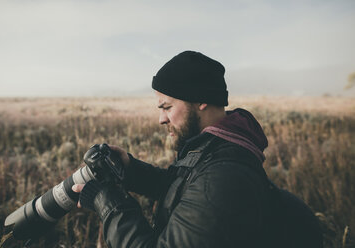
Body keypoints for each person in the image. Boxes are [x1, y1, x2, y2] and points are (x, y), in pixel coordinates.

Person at [72, 51, 322, 248]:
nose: (161, 119)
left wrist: (108, 203)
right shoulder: (215, 146)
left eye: (167, 107)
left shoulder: (225, 176)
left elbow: (203, 190)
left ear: (201, 99)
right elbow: (184, 187)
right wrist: (130, 169)